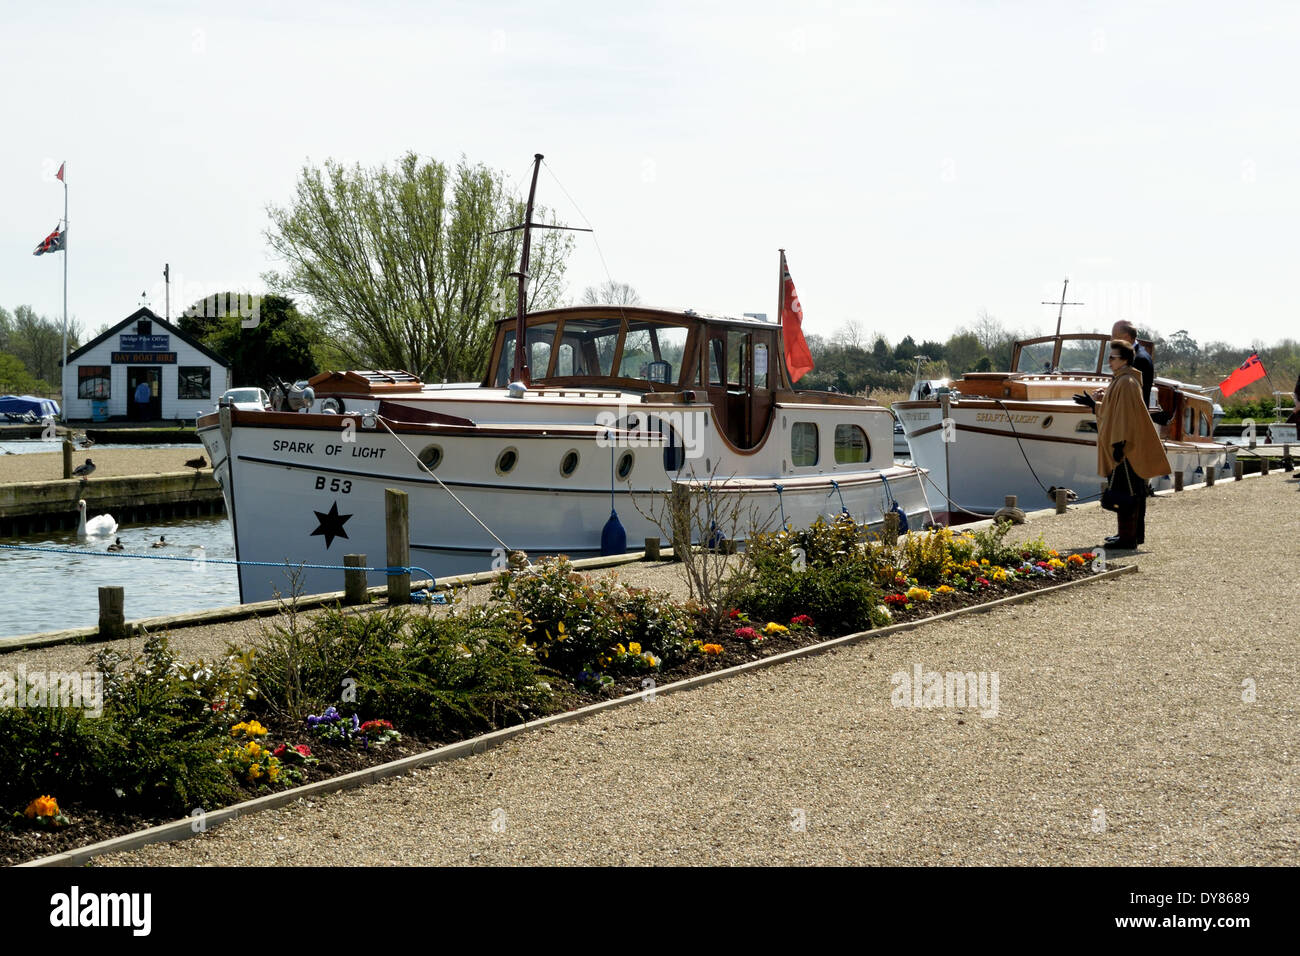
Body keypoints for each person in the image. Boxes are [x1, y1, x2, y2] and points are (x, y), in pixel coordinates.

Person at [1096, 340, 1171, 549]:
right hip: (1123, 444)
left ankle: (1128, 538)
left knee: (1126, 490)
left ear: (1125, 360)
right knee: (1126, 489)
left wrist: (1120, 442)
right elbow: (1116, 411)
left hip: (1125, 447)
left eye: (1113, 358)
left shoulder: (1127, 382)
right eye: (1109, 357)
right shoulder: (1122, 380)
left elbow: (1127, 416)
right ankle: (1126, 535)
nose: (1109, 361)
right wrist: (1094, 405)